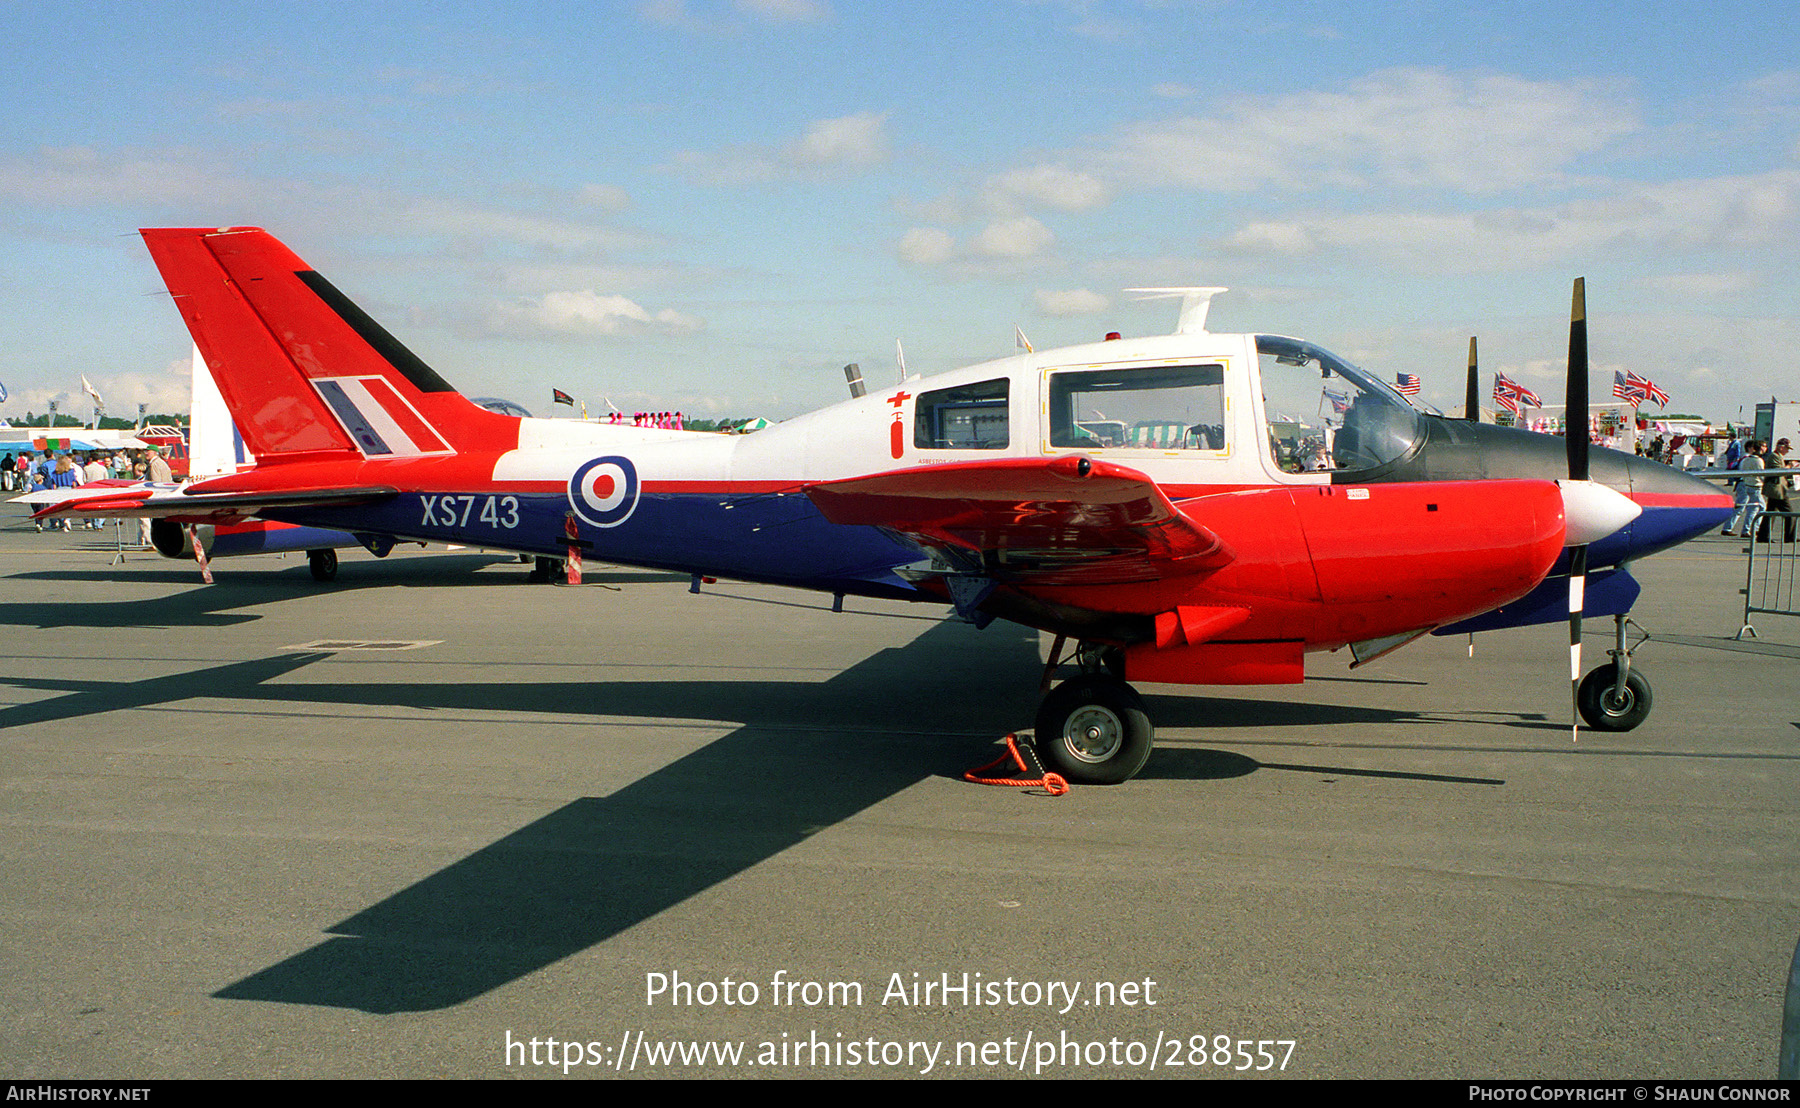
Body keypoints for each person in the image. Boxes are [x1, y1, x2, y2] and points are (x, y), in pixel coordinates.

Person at [1757, 438, 1795, 543]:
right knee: (1790, 514)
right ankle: (1789, 536)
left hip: (1777, 488)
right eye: (1787, 448)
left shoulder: (1778, 456)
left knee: (1770, 513)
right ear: (1780, 447)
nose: (1787, 451)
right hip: (1776, 489)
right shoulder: (1774, 456)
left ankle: (1763, 536)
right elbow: (1778, 471)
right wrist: (1789, 466)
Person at [1726, 440, 1766, 538]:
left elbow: (1742, 472)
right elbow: (1761, 474)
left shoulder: (1745, 460)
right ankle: (1751, 529)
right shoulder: (1757, 460)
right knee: (1758, 507)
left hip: (1746, 484)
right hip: (1753, 486)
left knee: (1750, 507)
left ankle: (1745, 529)